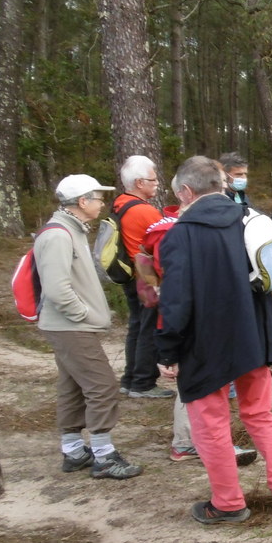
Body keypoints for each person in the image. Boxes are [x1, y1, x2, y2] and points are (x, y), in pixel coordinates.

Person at [156, 156, 272, 524]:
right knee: (259, 413)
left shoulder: (180, 235)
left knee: (210, 424)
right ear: (222, 185)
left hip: (206, 344)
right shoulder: (250, 219)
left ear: (186, 192)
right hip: (253, 337)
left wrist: (168, 350)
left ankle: (228, 503)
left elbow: (175, 301)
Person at [140, 177, 257, 468]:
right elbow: (176, 285)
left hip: (192, 314)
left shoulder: (175, 227)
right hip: (188, 317)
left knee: (204, 382)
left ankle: (199, 441)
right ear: (187, 194)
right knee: (195, 383)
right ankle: (188, 442)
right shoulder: (176, 231)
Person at [37, 174, 143, 480]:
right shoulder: (59, 235)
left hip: (68, 325)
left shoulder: (71, 230)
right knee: (103, 386)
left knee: (72, 386)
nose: (102, 203)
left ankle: (73, 450)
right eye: (98, 198)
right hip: (70, 326)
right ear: (82, 202)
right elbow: (57, 288)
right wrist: (82, 313)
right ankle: (103, 455)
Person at [113, 155, 172, 398]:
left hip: (131, 276)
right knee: (149, 328)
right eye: (153, 179)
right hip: (146, 279)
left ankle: (130, 379)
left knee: (136, 327)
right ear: (139, 182)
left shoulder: (120, 204)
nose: (157, 183)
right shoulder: (144, 211)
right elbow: (164, 242)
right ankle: (143, 383)